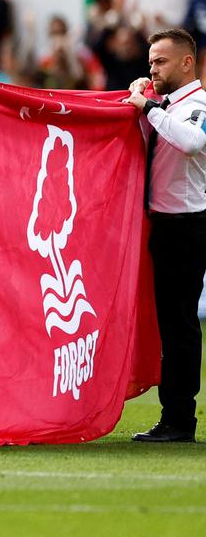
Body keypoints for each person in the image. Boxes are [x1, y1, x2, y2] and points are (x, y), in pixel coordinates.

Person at [122, 28, 206, 443]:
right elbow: (152, 148)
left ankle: (179, 421)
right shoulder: (170, 106)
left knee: (179, 326)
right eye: (151, 61)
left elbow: (191, 143)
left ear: (187, 63)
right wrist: (144, 110)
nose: (152, 69)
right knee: (171, 325)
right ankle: (174, 416)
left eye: (161, 61)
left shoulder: (199, 104)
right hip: (164, 222)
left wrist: (150, 108)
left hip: (188, 225)